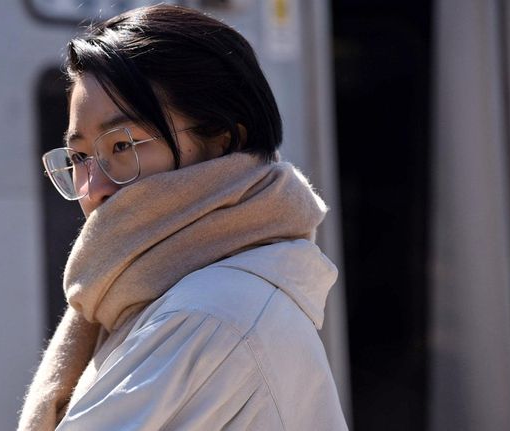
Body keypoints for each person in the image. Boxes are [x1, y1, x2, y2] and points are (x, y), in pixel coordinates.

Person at [19, 4, 347, 430]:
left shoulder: (209, 314)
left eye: (122, 146)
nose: (92, 187)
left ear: (221, 141)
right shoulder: (171, 302)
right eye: (80, 157)